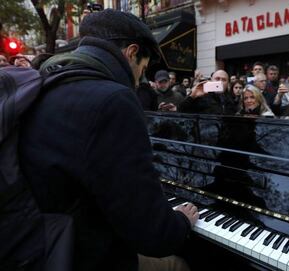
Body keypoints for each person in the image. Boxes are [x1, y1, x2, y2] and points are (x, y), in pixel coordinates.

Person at [19, 9, 198, 271]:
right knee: (178, 265)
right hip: (79, 256)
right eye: (143, 69)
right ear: (131, 53)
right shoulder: (114, 100)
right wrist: (181, 221)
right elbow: (153, 235)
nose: (140, 81)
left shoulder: (48, 83)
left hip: (35, 242)